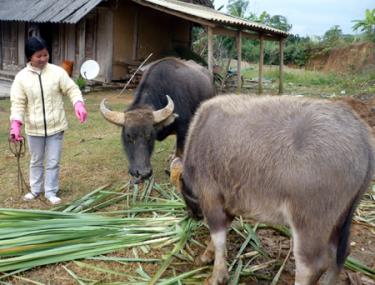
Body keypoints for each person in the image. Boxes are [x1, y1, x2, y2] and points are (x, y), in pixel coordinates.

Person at [9, 36, 87, 205]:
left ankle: (51, 191)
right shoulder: (21, 78)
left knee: (53, 161)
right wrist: (16, 124)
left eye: (45, 55)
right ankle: (36, 190)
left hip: (56, 126)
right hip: (34, 128)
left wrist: (78, 104)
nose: (43, 58)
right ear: (30, 57)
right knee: (36, 160)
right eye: (39, 56)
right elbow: (18, 103)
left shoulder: (57, 72)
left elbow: (72, 89)